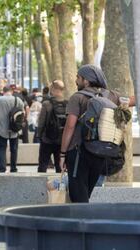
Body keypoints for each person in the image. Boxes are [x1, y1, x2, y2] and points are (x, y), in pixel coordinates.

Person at [60, 64, 135, 202]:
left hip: (78, 152)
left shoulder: (77, 97)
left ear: (86, 80)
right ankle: (86, 219)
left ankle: (83, 222)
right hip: (100, 152)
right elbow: (132, 100)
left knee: (78, 195)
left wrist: (63, 153)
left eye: (78, 77)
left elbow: (69, 126)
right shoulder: (111, 96)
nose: (76, 80)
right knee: (86, 193)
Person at [0, 86, 25, 173]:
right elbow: (22, 112)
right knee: (14, 149)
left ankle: (2, 168)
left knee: (2, 148)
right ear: (11, 91)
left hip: (1, 128)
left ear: (3, 91)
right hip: (14, 129)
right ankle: (13, 168)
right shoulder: (17, 100)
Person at [37, 80, 67, 173]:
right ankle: (59, 186)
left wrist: (39, 135)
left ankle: (40, 186)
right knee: (60, 166)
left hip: (47, 139)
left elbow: (41, 122)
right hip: (62, 140)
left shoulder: (47, 104)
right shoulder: (68, 104)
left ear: (53, 89)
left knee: (43, 164)